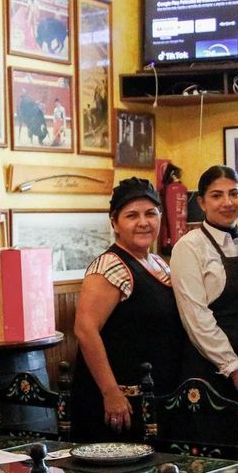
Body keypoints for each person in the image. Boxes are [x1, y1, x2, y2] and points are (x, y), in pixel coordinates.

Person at [70, 177, 185, 442]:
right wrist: (111, 392)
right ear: (115, 223)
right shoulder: (110, 266)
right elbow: (85, 330)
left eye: (150, 214)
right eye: (132, 215)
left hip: (155, 398)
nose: (143, 222)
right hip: (121, 405)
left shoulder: (158, 262)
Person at [170, 165, 238, 417]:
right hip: (209, 371)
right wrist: (233, 369)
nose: (227, 202)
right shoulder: (189, 248)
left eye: (234, 193)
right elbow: (196, 318)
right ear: (202, 202)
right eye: (217, 195)